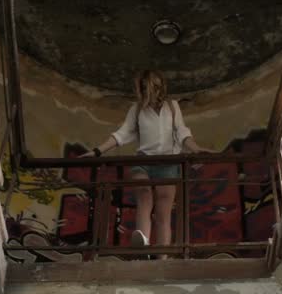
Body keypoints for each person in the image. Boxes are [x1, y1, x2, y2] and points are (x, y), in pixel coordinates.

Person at [81, 70, 212, 258]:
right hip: (143, 161)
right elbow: (121, 134)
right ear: (142, 89)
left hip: (168, 163)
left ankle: (161, 259)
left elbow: (182, 133)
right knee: (144, 195)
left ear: (162, 87)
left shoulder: (172, 107)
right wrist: (96, 151)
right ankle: (142, 244)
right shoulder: (136, 110)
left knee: (162, 213)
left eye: (157, 87)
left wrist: (196, 149)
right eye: (148, 87)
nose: (153, 92)